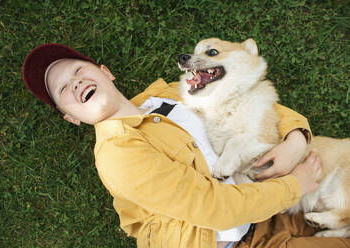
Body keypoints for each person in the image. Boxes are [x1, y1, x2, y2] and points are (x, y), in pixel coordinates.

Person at [22, 43, 349, 248]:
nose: (75, 82)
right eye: (63, 89)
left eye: (78, 71)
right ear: (70, 117)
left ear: (105, 72)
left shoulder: (167, 96)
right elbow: (211, 208)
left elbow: (251, 103)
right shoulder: (117, 155)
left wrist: (295, 138)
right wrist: (295, 185)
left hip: (267, 205)